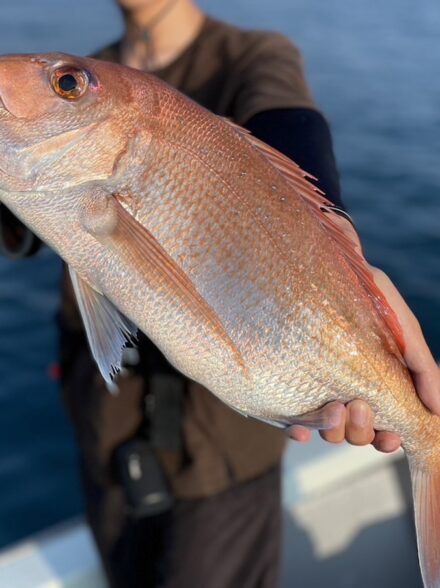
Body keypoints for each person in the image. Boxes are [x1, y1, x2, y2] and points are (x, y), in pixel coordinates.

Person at [1, 0, 439, 586]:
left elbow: (293, 126)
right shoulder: (98, 71)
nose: (62, 85)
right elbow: (23, 229)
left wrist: (346, 251)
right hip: (104, 442)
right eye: (65, 83)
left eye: (65, 84)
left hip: (222, 466)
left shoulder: (253, 56)